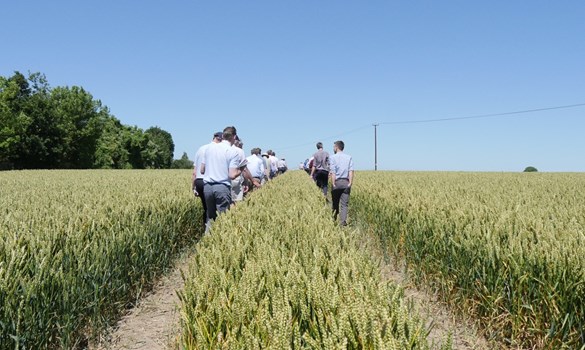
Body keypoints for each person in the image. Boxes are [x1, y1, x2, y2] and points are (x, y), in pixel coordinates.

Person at [200, 126, 243, 231]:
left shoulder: (208, 148)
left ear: (223, 136)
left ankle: (206, 242)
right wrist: (241, 169)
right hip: (222, 187)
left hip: (207, 187)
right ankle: (219, 242)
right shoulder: (232, 152)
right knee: (222, 218)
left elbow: (202, 170)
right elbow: (232, 175)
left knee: (210, 217)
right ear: (234, 136)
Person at [192, 131, 222, 227]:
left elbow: (194, 171)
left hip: (199, 182)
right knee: (213, 209)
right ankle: (212, 231)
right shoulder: (217, 149)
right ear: (220, 139)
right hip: (209, 181)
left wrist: (193, 187)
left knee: (205, 207)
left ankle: (204, 228)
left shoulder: (200, 149)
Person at [329, 140, 354, 226]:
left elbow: (333, 171)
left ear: (336, 147)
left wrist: (333, 183)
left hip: (337, 182)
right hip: (346, 182)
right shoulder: (349, 157)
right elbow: (351, 171)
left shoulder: (332, 157)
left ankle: (334, 220)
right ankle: (343, 222)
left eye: (333, 147)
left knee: (335, 203)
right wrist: (350, 182)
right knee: (344, 204)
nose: (333, 148)